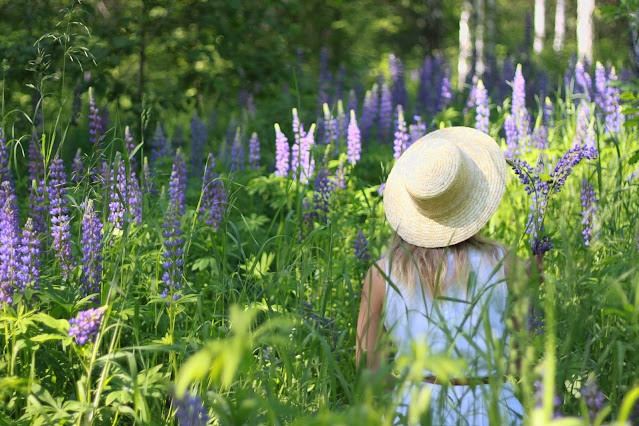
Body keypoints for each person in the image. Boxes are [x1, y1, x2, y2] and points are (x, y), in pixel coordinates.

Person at [356, 127, 543, 425]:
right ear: (469, 201)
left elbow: (369, 370)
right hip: (491, 408)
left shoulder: (381, 274)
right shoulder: (504, 263)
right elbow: (524, 355)